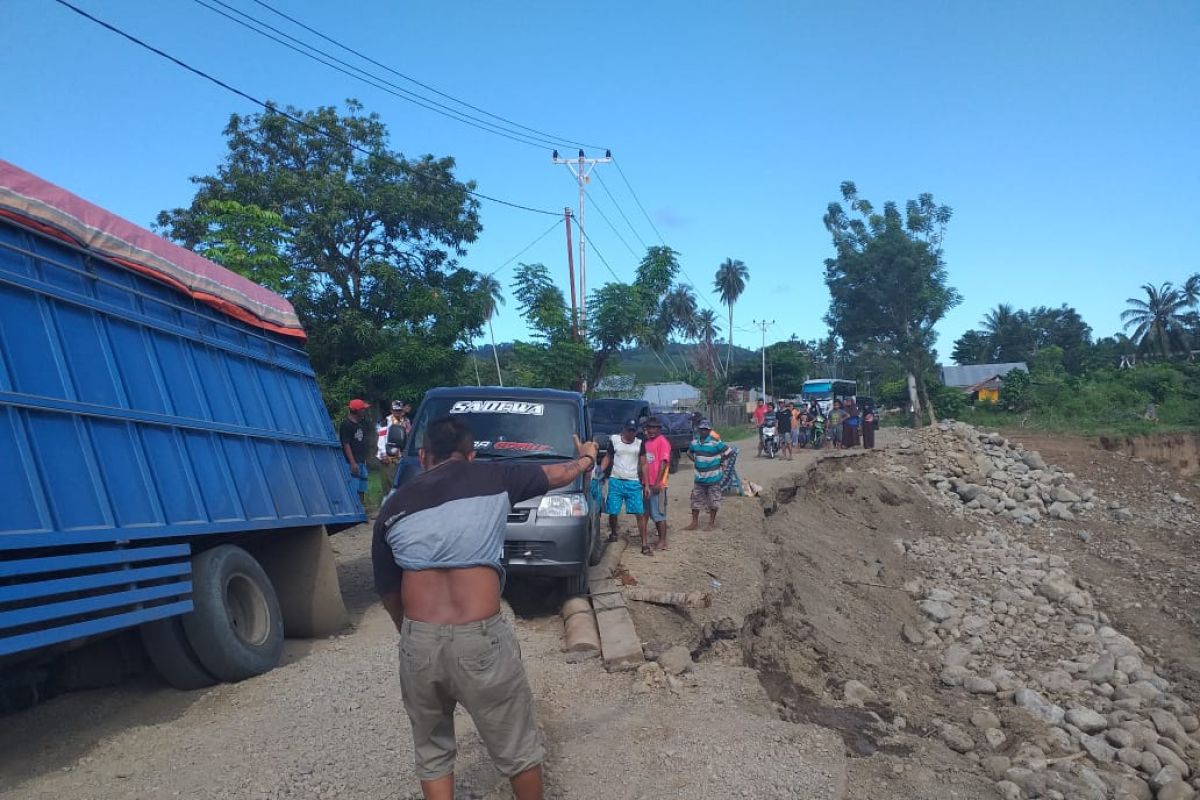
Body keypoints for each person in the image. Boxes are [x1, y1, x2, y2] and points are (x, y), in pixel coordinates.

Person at [372, 416, 598, 800]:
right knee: (517, 746)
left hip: (419, 639)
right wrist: (587, 459)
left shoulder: (394, 506)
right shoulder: (494, 478)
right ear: (471, 455)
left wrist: (408, 634)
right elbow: (560, 474)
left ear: (424, 455)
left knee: (432, 751)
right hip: (479, 638)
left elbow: (389, 591)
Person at [600, 419, 651, 555]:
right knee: (613, 510)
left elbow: (644, 464)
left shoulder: (639, 444)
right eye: (629, 430)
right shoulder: (615, 440)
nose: (631, 433)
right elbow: (608, 457)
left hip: (633, 482)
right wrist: (600, 472)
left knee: (639, 513)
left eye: (634, 430)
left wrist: (646, 484)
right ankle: (614, 533)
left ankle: (645, 544)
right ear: (624, 429)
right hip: (616, 480)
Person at [685, 419, 730, 531]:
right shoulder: (694, 443)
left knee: (713, 501)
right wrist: (695, 461)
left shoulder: (715, 442)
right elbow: (689, 452)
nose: (703, 431)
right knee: (695, 500)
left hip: (713, 477)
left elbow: (729, 451)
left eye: (706, 429)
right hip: (699, 478)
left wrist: (721, 459)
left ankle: (711, 523)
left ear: (709, 430)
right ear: (699, 430)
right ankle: (694, 522)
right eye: (702, 429)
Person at [641, 416, 671, 551]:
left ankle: (663, 540)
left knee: (659, 513)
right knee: (648, 512)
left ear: (659, 429)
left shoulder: (662, 442)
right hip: (647, 484)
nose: (652, 430)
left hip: (658, 484)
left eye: (654, 428)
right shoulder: (647, 443)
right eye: (649, 428)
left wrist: (658, 482)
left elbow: (663, 464)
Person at [340, 398, 371, 505]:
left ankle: (361, 510)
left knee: (362, 486)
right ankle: (354, 509)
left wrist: (364, 460)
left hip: (361, 460)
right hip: (353, 462)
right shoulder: (346, 425)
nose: (365, 411)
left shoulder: (359, 424)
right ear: (357, 411)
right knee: (354, 487)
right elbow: (346, 444)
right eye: (363, 409)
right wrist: (352, 462)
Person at [377, 400, 409, 491]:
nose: (397, 412)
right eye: (395, 410)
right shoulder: (386, 422)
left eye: (399, 410)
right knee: (388, 485)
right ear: (391, 410)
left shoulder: (406, 422)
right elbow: (381, 439)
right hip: (388, 457)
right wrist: (383, 454)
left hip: (401, 457)